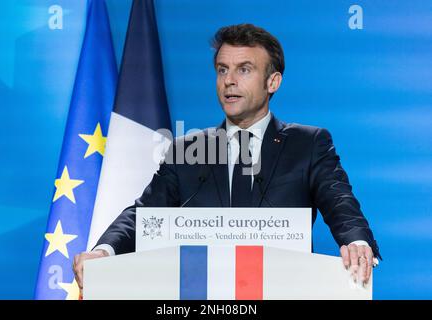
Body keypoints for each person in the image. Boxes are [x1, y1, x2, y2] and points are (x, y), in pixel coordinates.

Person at [73, 23, 381, 294]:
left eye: (244, 69)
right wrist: (104, 252)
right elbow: (144, 216)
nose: (229, 81)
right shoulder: (187, 150)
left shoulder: (308, 144)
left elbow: (340, 202)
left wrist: (358, 242)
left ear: (272, 82)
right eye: (222, 69)